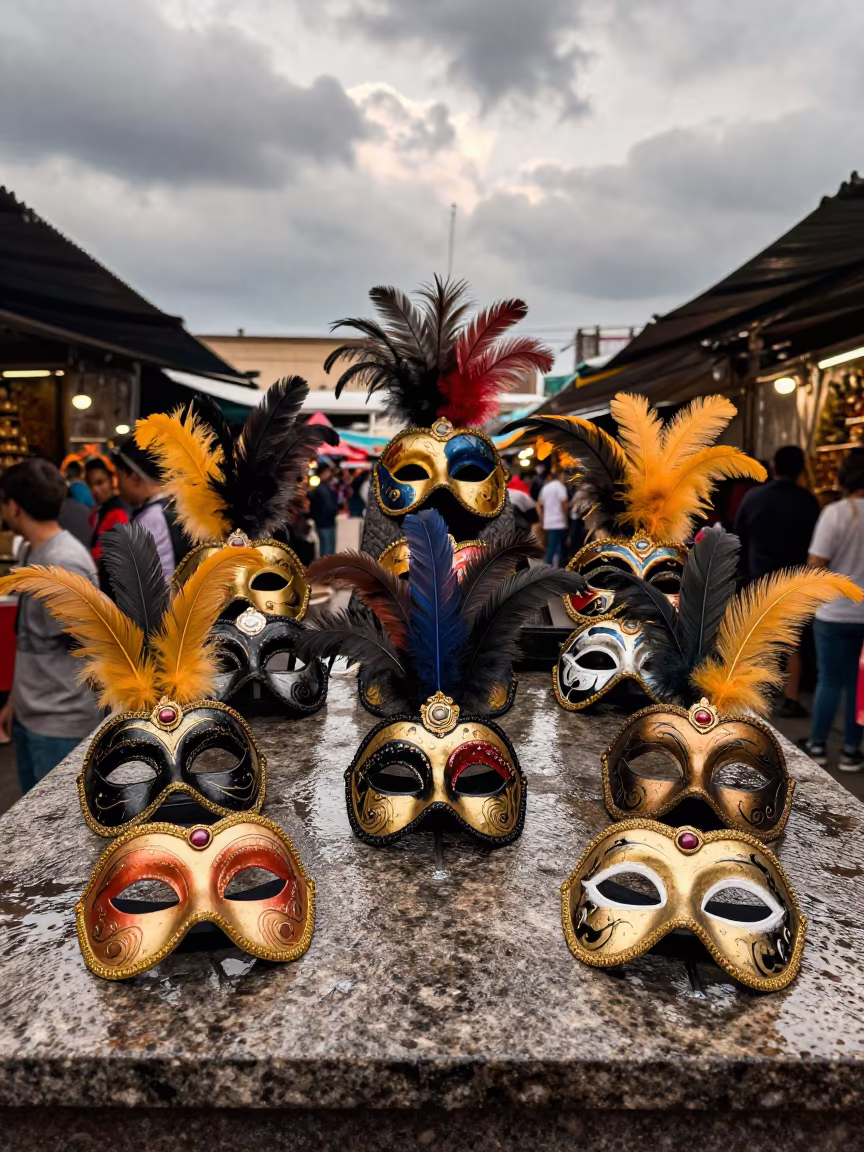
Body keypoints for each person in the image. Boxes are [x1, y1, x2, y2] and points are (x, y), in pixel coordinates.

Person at [0, 458, 102, 793]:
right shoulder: (38, 551)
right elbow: (35, 639)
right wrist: (16, 701)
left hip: (61, 726)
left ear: (14, 507)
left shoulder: (63, 562)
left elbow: (90, 647)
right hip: (36, 715)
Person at [733, 444, 820, 718]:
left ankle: (755, 695)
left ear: (773, 467)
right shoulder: (809, 501)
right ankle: (791, 698)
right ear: (801, 469)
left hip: (759, 577)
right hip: (794, 581)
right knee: (792, 642)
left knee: (757, 637)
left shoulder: (754, 497)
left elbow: (738, 537)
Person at [799, 448, 864, 770]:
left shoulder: (837, 513)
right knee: (859, 683)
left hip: (835, 613)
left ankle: (819, 745)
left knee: (829, 680)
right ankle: (852, 751)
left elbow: (817, 564)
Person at [113, 438, 190, 581]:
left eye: (119, 477)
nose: (117, 487)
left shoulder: (152, 519)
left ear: (134, 477)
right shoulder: (175, 506)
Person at [85, 456, 130, 591]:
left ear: (112, 480)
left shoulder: (118, 512)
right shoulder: (98, 511)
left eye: (100, 483)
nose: (95, 490)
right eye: (91, 485)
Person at [537, 467, 569, 566]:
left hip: (548, 522)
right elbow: (564, 503)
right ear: (560, 475)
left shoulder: (545, 487)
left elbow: (539, 504)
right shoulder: (560, 487)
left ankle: (554, 568)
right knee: (556, 547)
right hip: (558, 521)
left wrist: (542, 519)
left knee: (553, 546)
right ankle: (549, 569)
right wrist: (566, 519)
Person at [309, 463, 339, 557]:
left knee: (326, 549)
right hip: (325, 522)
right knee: (327, 550)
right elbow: (329, 506)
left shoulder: (322, 487)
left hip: (323, 522)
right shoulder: (322, 488)